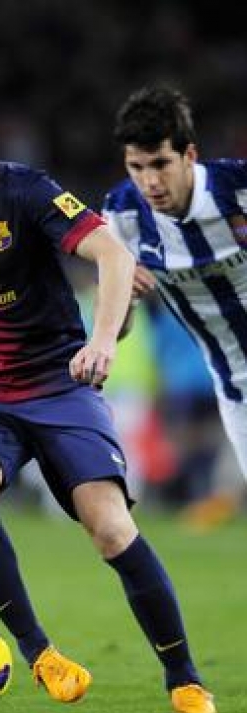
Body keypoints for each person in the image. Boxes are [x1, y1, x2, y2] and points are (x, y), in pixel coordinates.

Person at [0, 80, 215, 713]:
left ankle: (185, 677)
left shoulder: (24, 190)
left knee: (110, 528)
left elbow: (112, 255)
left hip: (58, 384)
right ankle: (40, 654)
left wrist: (103, 342)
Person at [103, 84, 247, 520]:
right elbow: (119, 328)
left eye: (161, 164)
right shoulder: (123, 215)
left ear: (189, 156)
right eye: (137, 167)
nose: (150, 181)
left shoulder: (237, 189)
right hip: (237, 388)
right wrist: (125, 294)